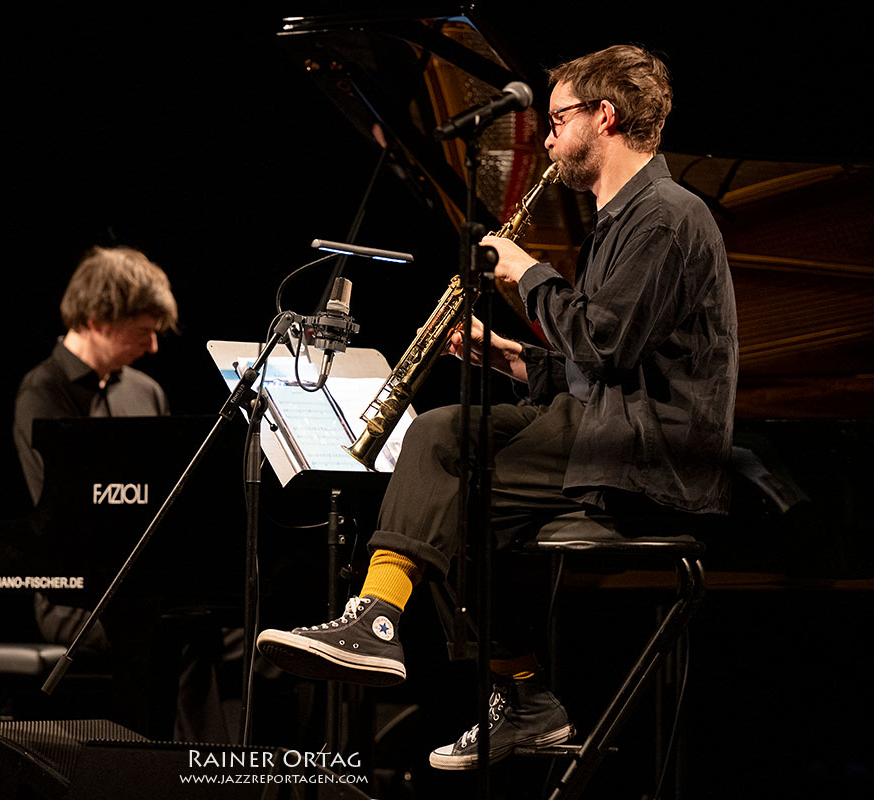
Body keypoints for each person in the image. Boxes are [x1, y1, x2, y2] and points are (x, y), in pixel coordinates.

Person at [256, 44, 737, 770]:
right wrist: (510, 356)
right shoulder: (622, 218)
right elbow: (597, 363)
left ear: (604, 118)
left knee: (450, 471)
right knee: (445, 441)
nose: (546, 138)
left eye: (558, 120)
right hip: (608, 423)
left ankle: (390, 626)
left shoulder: (666, 216)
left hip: (650, 451)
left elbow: (604, 350)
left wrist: (527, 273)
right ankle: (513, 693)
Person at [13, 244, 177, 647]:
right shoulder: (43, 393)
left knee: (250, 638)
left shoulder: (147, 392)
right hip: (75, 596)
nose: (154, 347)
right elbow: (65, 518)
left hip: (146, 586)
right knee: (178, 640)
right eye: (144, 332)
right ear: (99, 320)